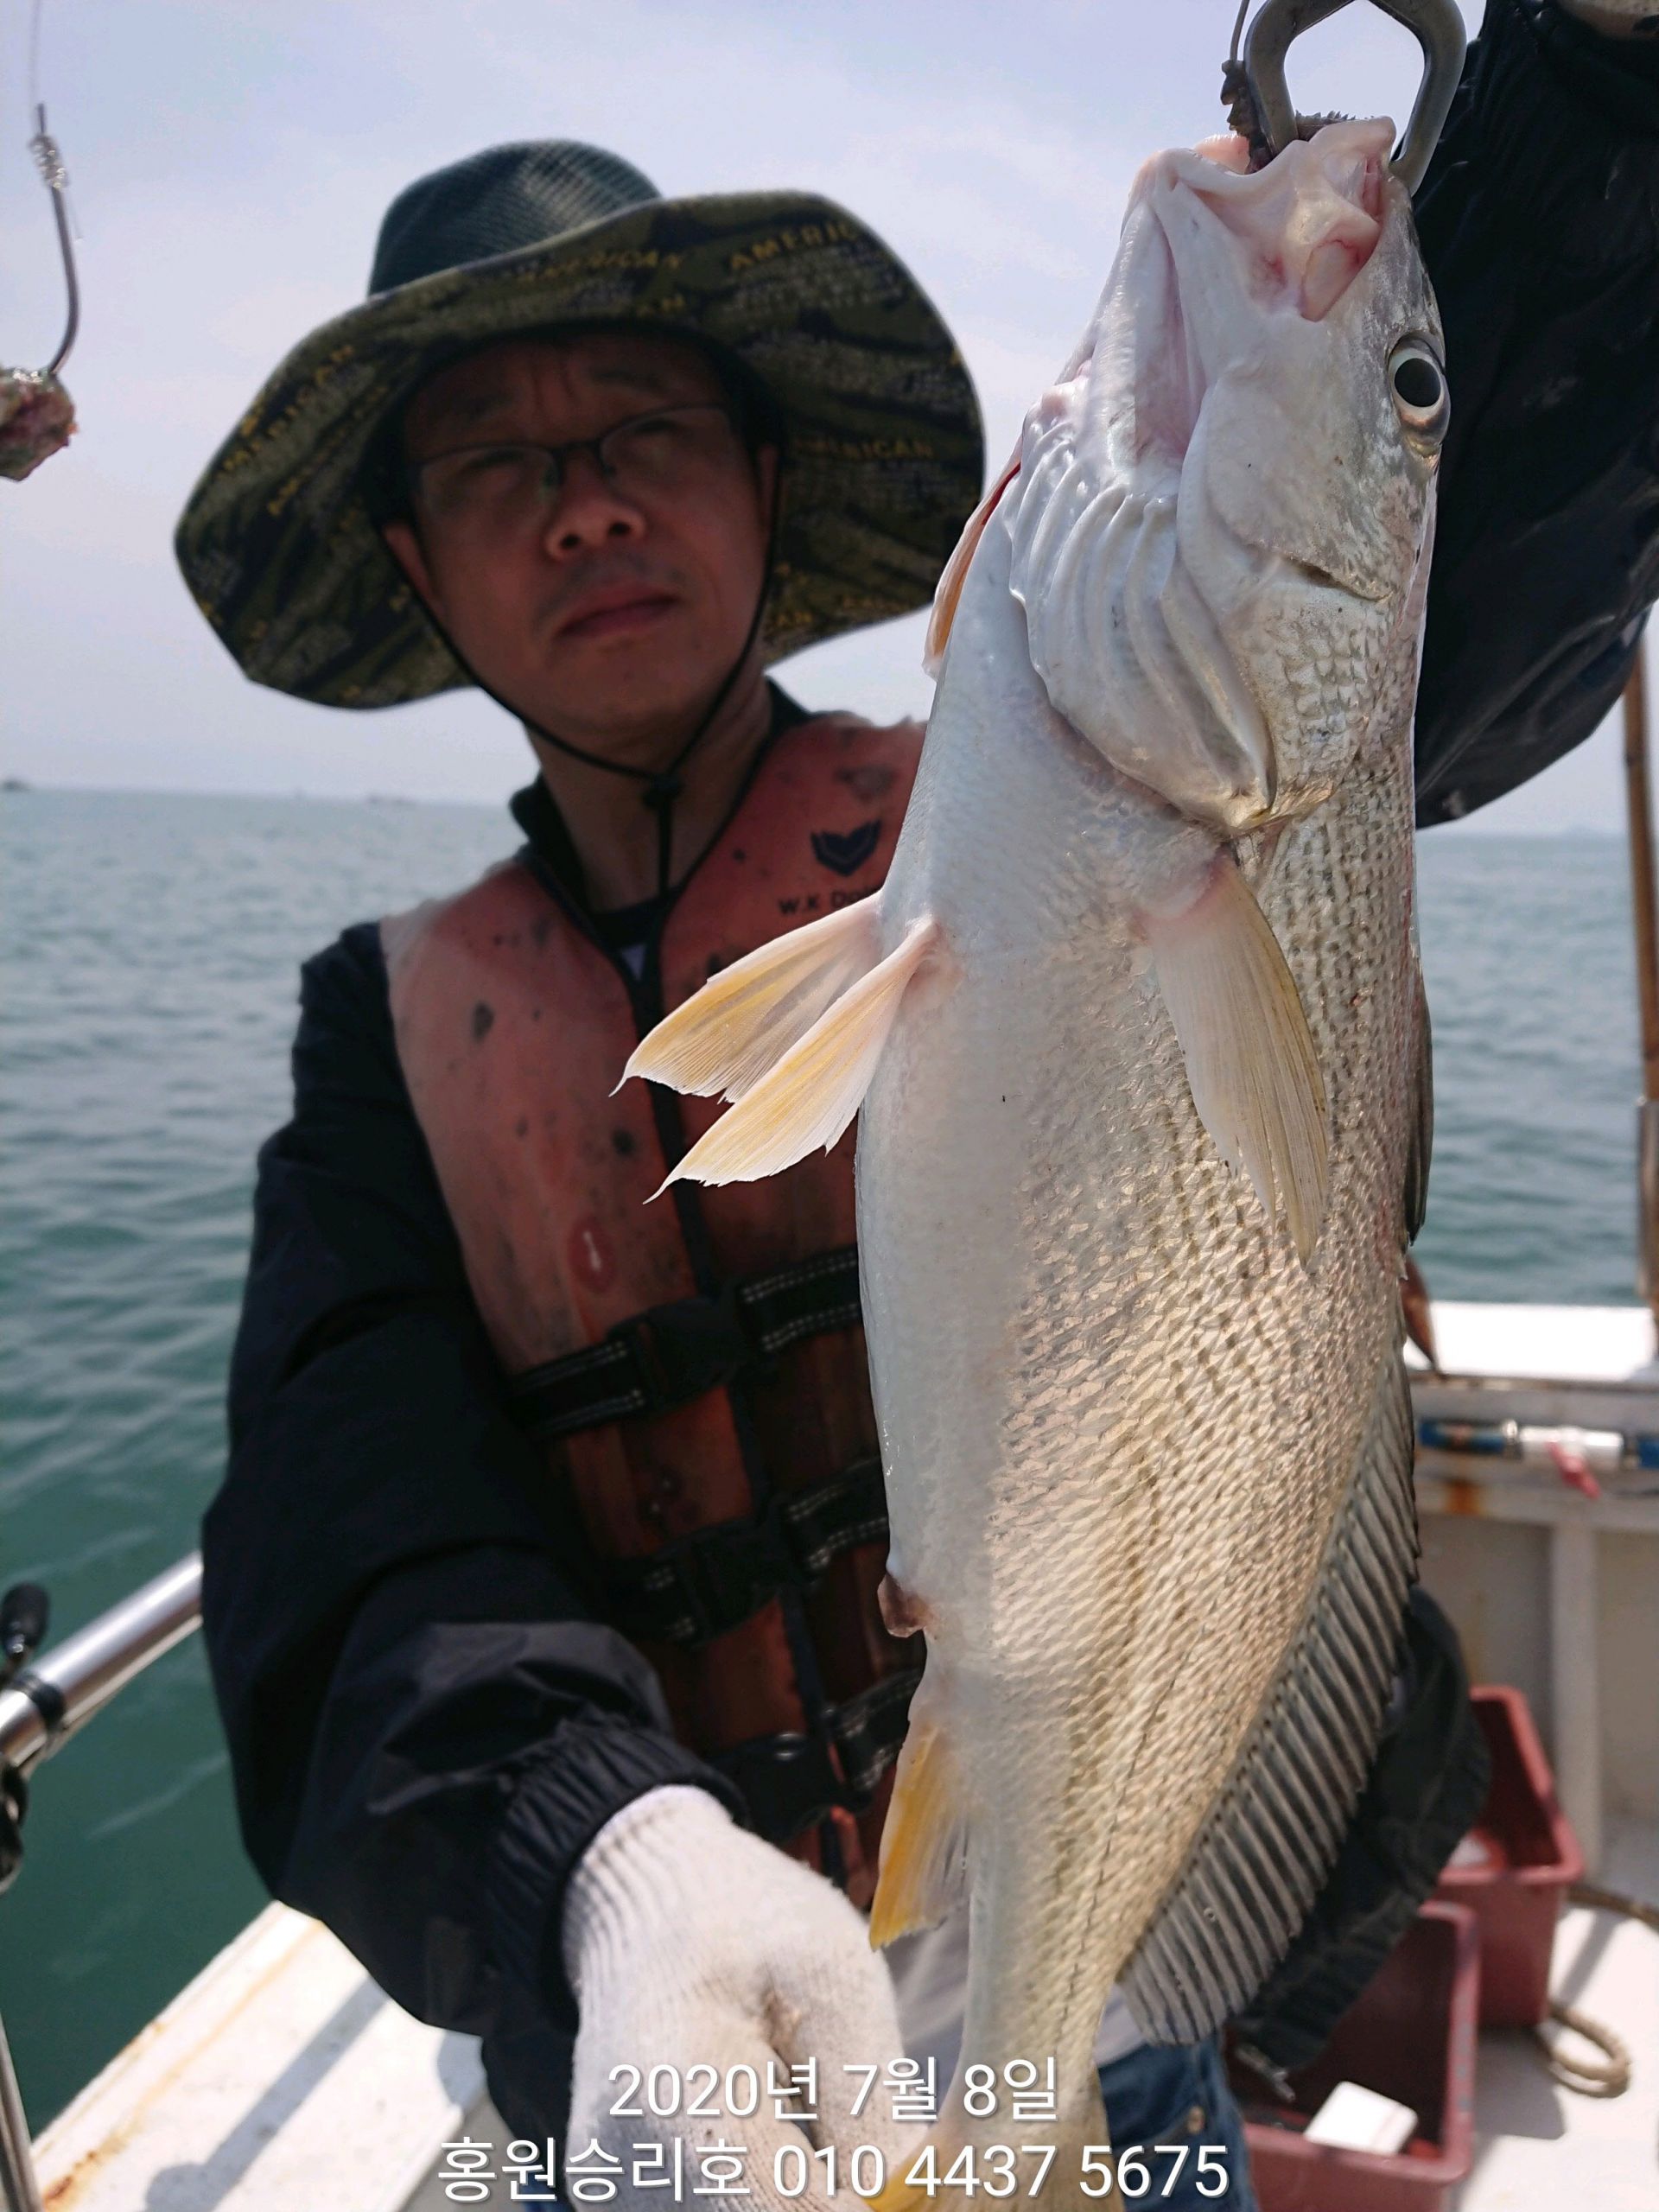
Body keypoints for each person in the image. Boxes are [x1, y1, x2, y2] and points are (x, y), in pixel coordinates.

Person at [176, 3, 1659, 2204]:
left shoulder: (1046, 774)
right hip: (676, 2054)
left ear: (767, 479)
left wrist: (1606, 89)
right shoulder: (377, 1039)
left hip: (1113, 2021)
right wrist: (598, 1847)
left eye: (648, 427)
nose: (589, 502)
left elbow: (1444, 588)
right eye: (494, 463)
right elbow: (350, 1523)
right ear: (413, 560)